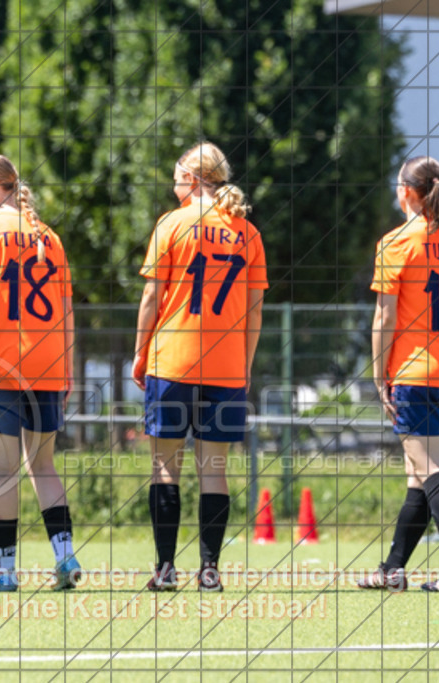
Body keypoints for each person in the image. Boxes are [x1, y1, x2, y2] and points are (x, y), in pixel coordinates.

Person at [132, 142, 268, 592]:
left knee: (165, 468)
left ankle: (165, 569)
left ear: (192, 178)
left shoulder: (171, 224)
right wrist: (243, 367)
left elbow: (152, 298)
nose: (173, 184)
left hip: (172, 360)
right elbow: (254, 310)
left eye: (176, 175)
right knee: (215, 468)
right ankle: (209, 569)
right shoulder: (247, 232)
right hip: (227, 368)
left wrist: (139, 351)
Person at [0, 154, 80, 592]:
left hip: (3, 367)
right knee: (43, 465)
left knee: (3, 473)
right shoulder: (50, 236)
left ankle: (4, 571)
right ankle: (66, 558)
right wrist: (67, 371)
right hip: (48, 364)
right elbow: (66, 310)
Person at [360, 155, 439, 592]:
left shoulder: (396, 242)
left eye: (398, 184)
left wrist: (378, 376)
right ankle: (393, 568)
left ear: (408, 192)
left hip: (416, 371)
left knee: (430, 469)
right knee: (419, 474)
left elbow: (383, 318)